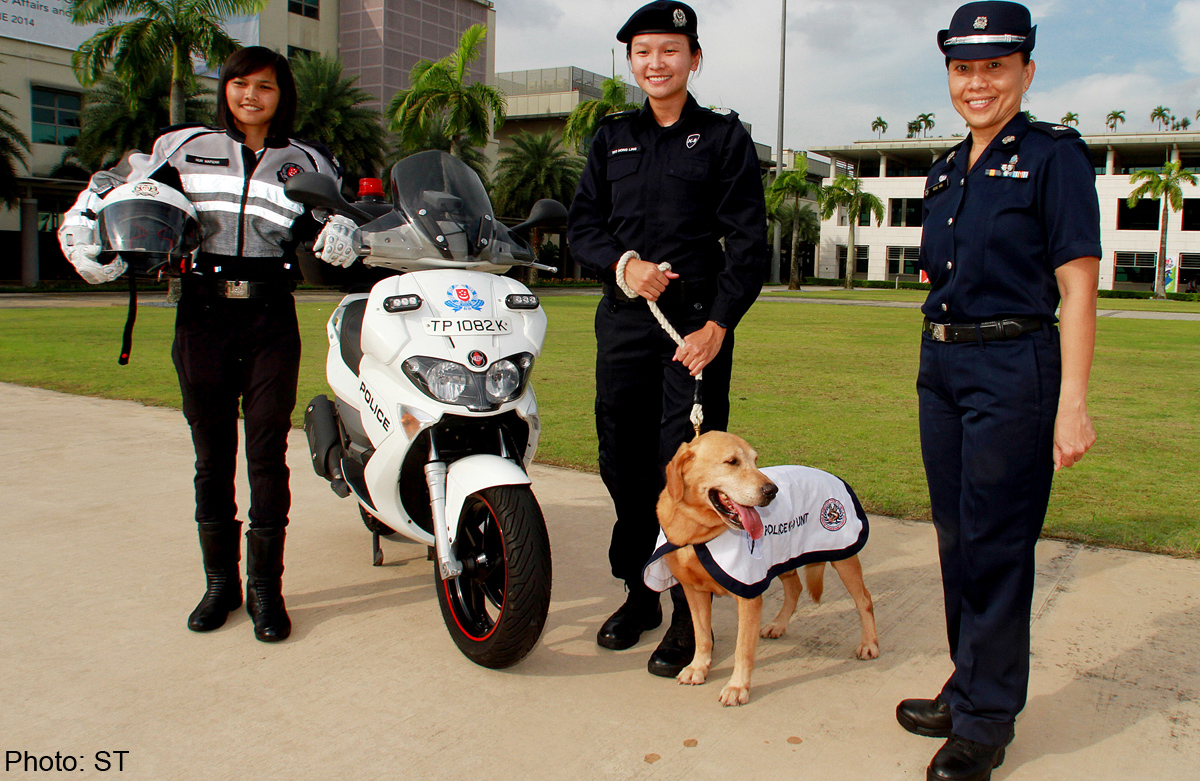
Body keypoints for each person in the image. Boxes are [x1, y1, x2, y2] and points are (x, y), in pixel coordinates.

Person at [59, 47, 342, 643]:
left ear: (281, 94)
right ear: (227, 89)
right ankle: (221, 584)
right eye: (240, 84)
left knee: (266, 453)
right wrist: (84, 223)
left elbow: (332, 221)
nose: (250, 96)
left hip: (270, 314)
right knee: (211, 454)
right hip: (202, 314)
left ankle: (266, 589)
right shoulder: (183, 147)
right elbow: (112, 184)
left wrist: (341, 228)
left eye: (264, 86)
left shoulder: (309, 159)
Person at [895, 4, 1101, 780]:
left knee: (998, 543)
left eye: (994, 66)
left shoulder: (1054, 158)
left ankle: (987, 719)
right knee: (956, 537)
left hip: (1016, 366)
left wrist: (1072, 400)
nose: (976, 82)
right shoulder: (948, 169)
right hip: (941, 367)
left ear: (1026, 71)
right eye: (962, 67)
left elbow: (1077, 290)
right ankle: (967, 681)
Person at [566, 0, 768, 677]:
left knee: (688, 469)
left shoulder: (722, 138)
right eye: (642, 52)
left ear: (694, 59)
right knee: (622, 459)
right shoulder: (612, 136)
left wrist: (718, 328)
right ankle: (639, 591)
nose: (655, 63)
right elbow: (583, 227)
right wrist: (625, 267)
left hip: (697, 327)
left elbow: (748, 243)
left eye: (670, 51)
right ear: (632, 62)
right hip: (626, 320)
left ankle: (690, 610)